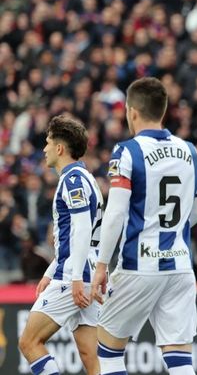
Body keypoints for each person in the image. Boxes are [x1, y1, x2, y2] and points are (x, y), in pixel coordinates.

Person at [90, 77, 197, 375]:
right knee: (179, 357)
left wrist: (102, 265)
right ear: (164, 110)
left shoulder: (127, 151)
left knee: (106, 350)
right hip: (180, 265)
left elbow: (115, 213)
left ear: (131, 112)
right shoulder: (190, 151)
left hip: (139, 265)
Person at [19, 115, 102, 375]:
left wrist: (74, 277)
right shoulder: (88, 178)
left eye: (47, 142)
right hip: (85, 269)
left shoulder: (72, 181)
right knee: (91, 356)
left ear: (59, 148)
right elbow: (75, 237)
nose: (43, 149)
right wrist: (48, 272)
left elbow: (81, 230)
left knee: (29, 342)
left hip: (74, 275)